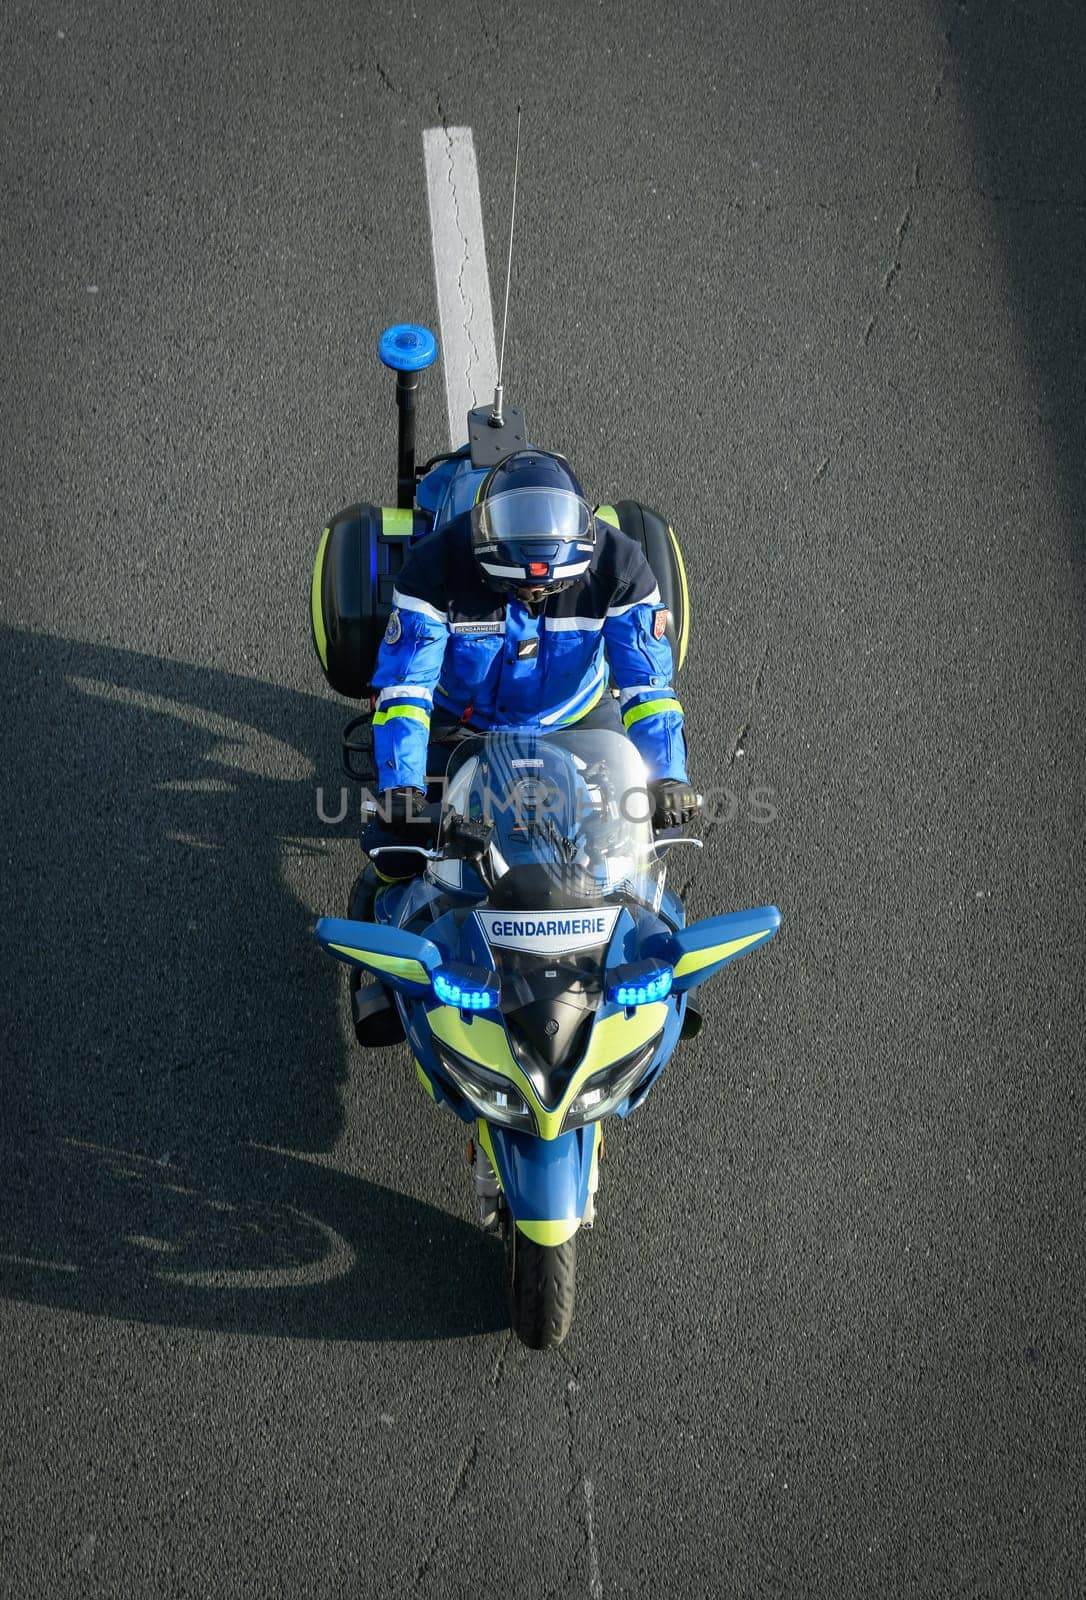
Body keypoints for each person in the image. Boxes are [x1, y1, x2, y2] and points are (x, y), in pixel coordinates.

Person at [357, 449, 699, 893]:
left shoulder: (622, 567)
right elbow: (407, 690)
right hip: (458, 722)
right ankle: (379, 894)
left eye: (548, 586)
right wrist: (402, 789)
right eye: (519, 586)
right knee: (396, 844)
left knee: (643, 832)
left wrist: (668, 777)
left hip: (578, 716)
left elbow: (646, 688)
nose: (534, 590)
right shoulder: (432, 569)